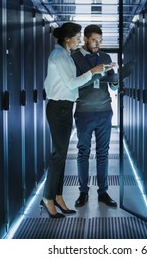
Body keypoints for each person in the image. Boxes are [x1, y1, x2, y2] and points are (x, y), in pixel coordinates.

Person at [42, 22, 106, 218]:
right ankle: (47, 198)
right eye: (77, 37)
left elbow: (71, 84)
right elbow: (71, 84)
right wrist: (93, 72)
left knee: (60, 155)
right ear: (67, 38)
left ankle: (58, 195)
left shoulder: (65, 55)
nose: (79, 40)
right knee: (58, 155)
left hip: (65, 107)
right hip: (58, 108)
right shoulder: (59, 55)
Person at [72, 25, 119, 208]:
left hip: (105, 111)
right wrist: (95, 73)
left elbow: (113, 87)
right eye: (94, 40)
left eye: (100, 40)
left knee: (103, 153)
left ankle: (103, 192)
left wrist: (115, 81)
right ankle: (83, 192)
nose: (97, 44)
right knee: (83, 153)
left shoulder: (106, 57)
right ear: (85, 39)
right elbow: (72, 85)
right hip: (83, 112)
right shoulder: (74, 58)